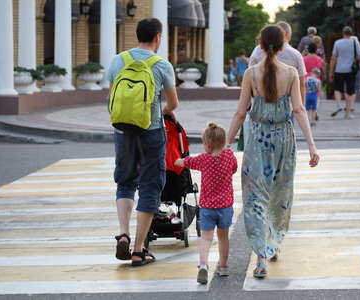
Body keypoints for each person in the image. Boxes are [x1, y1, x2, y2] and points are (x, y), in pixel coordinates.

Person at [226, 25, 319, 278]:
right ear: (282, 45)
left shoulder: (250, 74)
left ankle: (261, 258)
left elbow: (240, 112)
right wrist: (311, 145)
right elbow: (299, 110)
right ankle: (271, 244)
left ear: (260, 44)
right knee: (279, 195)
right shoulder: (290, 73)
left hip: (258, 142)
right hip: (284, 142)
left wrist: (226, 143)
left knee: (256, 197)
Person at [106, 18, 179, 267]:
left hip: (123, 130)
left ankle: (123, 233)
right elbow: (174, 103)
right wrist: (166, 110)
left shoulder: (119, 60)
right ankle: (138, 250)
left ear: (137, 36)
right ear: (158, 37)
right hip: (152, 130)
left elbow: (113, 94)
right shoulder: (162, 65)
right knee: (150, 185)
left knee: (125, 181)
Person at [175, 123, 237, 284]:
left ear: (207, 145)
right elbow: (234, 168)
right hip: (225, 207)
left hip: (208, 208)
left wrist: (178, 161)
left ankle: (203, 265)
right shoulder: (229, 156)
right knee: (223, 238)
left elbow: (188, 162)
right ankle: (223, 266)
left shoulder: (203, 160)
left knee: (206, 239)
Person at [249, 22, 307, 105]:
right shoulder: (296, 55)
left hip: (260, 105)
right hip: (286, 107)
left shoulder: (256, 51)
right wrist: (302, 106)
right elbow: (302, 84)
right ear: (286, 34)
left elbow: (251, 80)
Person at [329, 26, 360, 119]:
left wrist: (331, 71)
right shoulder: (355, 42)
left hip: (339, 70)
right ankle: (347, 113)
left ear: (343, 33)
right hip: (351, 71)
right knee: (350, 92)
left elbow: (333, 57)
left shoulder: (338, 42)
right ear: (351, 33)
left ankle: (339, 105)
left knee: (337, 89)